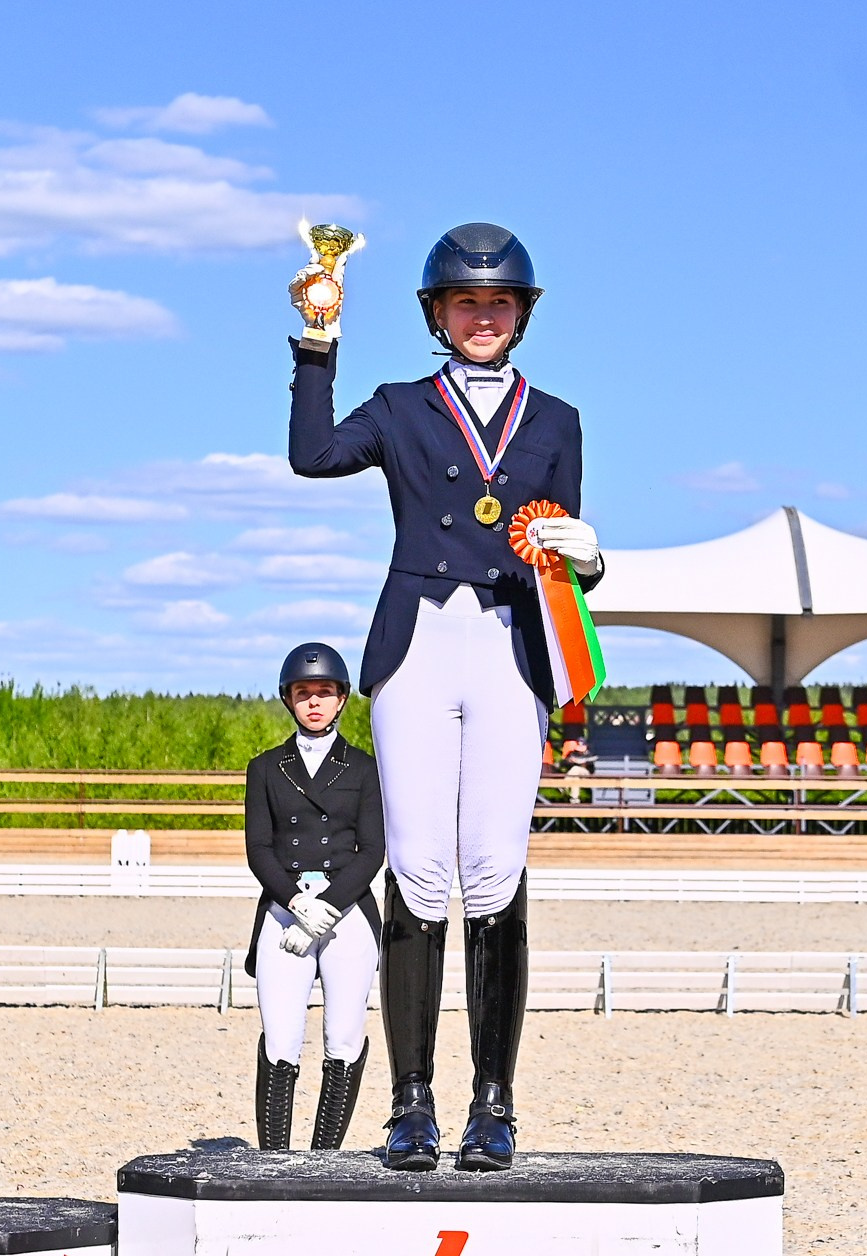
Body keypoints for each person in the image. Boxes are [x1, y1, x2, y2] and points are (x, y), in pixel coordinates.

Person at [287, 223, 603, 1172]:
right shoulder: (398, 406)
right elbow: (311, 456)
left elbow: (567, 556)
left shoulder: (558, 419)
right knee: (420, 872)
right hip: (419, 645)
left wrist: (593, 558)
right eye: (466, 303)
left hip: (511, 648)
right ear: (437, 313)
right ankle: (412, 1102)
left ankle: (495, 1102)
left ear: (522, 315)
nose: (483, 317)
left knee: (496, 871)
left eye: (499, 303)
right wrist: (316, 343)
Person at [243, 643, 384, 1150]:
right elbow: (258, 848)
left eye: (324, 692)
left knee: (343, 1038)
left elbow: (372, 851)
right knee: (281, 1038)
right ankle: (275, 1156)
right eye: (304, 694)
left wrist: (328, 907)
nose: (315, 702)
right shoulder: (265, 768)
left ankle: (325, 1156)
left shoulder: (365, 769)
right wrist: (296, 904)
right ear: (290, 700)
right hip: (285, 912)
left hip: (347, 914)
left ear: (342, 698)